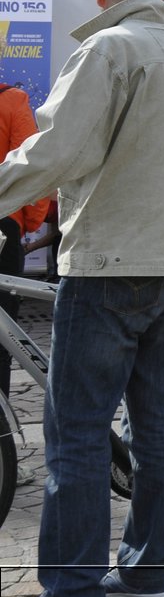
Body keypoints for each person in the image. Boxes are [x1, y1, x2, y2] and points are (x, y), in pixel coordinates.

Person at [0, 0, 164, 597]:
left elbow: (53, 150)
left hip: (112, 260)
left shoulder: (108, 50)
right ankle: (150, 573)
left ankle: (71, 591)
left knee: (79, 432)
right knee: (154, 426)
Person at [0, 80, 48, 400]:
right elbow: (33, 166)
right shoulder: (13, 102)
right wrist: (30, 220)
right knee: (3, 334)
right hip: (4, 224)